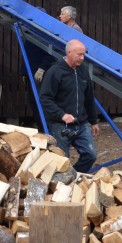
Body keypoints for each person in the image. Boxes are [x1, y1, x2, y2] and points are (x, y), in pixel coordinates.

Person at [39, 39, 100, 173]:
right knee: (61, 160)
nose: (82, 58)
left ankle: (74, 175)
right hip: (60, 125)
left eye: (84, 55)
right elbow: (45, 98)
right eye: (79, 54)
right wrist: (62, 114)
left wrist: (94, 121)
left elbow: (89, 97)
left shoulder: (83, 70)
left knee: (91, 155)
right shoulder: (55, 71)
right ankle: (62, 184)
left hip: (81, 123)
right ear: (69, 52)